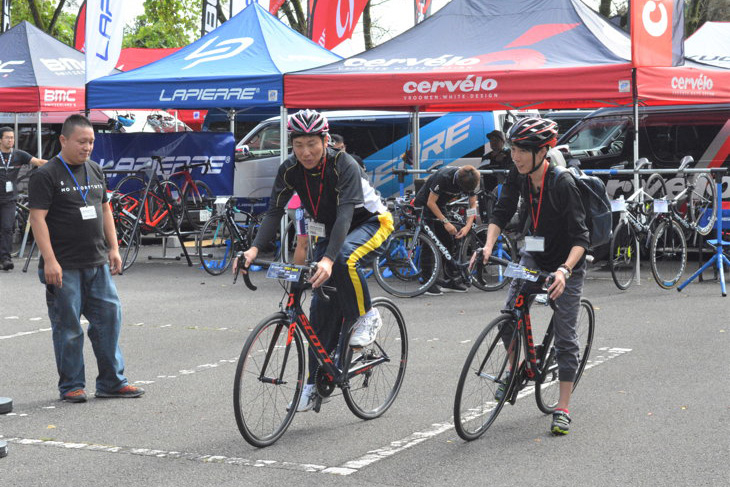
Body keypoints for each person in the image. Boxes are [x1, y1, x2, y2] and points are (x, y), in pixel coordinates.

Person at [240, 110, 394, 412]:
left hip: (371, 223)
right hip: (332, 230)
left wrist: (327, 259)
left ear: (325, 140)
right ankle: (314, 383)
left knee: (342, 259)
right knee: (319, 312)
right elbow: (274, 211)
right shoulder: (289, 169)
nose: (305, 152)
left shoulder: (344, 164)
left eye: (312, 143)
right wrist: (254, 250)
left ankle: (368, 315)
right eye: (298, 145)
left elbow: (346, 214)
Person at [473, 117, 589, 435]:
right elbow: (502, 211)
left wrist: (564, 271)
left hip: (566, 264)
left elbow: (581, 238)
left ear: (543, 151)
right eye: (514, 149)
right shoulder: (519, 173)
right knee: (510, 313)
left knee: (565, 339)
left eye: (523, 150)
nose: (516, 155)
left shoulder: (562, 182)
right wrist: (487, 246)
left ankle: (563, 406)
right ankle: (514, 368)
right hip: (532, 257)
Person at [28, 115, 144, 403]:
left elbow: (105, 210)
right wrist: (50, 260)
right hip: (64, 267)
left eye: (91, 141)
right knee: (68, 328)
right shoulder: (46, 175)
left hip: (97, 263)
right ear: (64, 140)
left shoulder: (95, 169)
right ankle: (71, 386)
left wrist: (114, 248)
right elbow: (37, 219)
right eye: (82, 141)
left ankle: (112, 382)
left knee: (109, 320)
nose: (88, 147)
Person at [413, 164, 480, 295]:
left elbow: (472, 204)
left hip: (441, 205)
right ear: (458, 184)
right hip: (424, 205)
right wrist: (445, 222)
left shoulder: (472, 179)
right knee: (430, 243)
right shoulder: (443, 177)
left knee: (448, 241)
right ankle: (427, 282)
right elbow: (430, 203)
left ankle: (450, 281)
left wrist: (467, 226)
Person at [0, 127, 46, 271]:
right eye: (7, 137)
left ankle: (5, 259)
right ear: (0, 139)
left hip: (9, 199)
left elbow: (38, 162)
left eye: (12, 137)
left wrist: (61, 162)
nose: (10, 140)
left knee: (7, 228)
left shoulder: (19, 155)